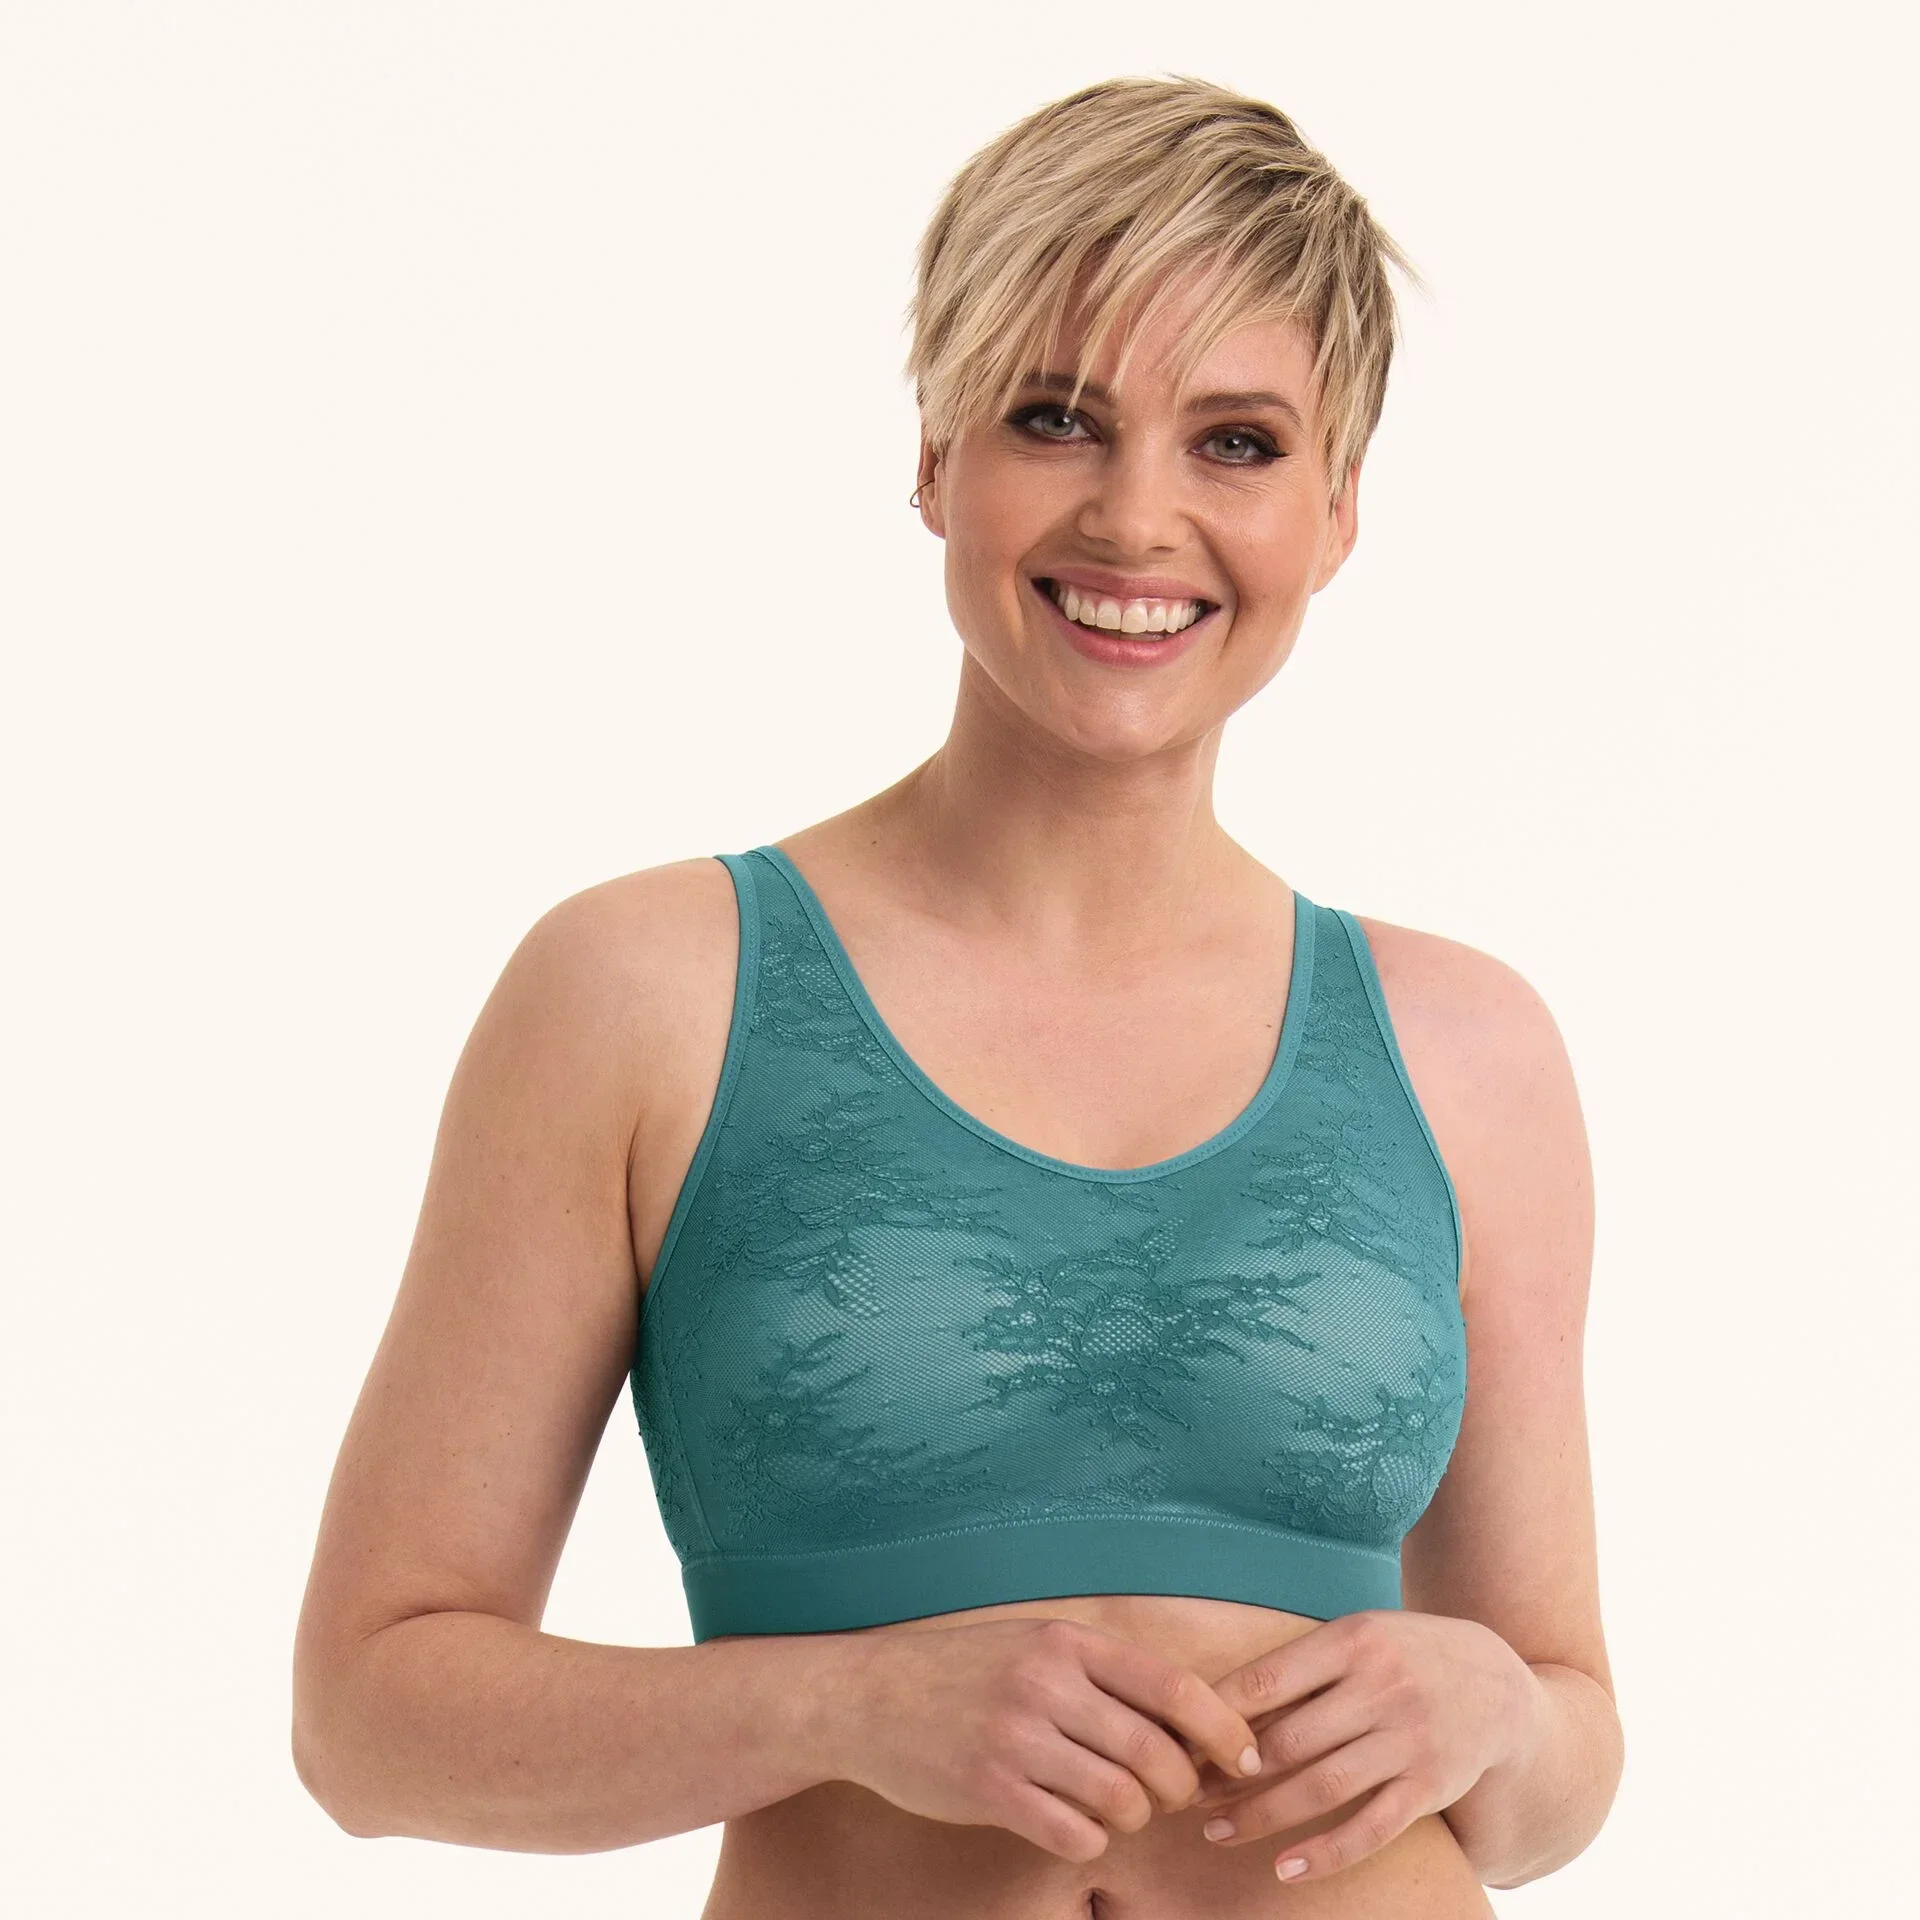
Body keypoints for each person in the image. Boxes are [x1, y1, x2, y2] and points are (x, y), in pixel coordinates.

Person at [292, 73, 1623, 1919]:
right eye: (1055, 419)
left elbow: (1561, 1769)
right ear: (935, 455)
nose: (1138, 518)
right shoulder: (647, 994)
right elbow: (368, 1722)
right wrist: (839, 1703)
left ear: (1336, 513)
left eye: (1236, 442)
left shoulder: (1468, 1050)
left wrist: (1500, 1713)